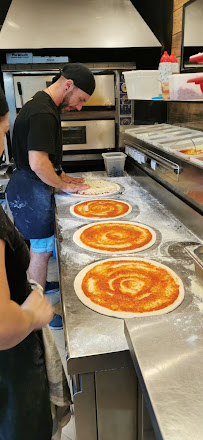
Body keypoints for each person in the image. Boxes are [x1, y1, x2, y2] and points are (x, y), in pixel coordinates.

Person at [6, 63, 96, 329]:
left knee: (39, 249)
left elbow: (47, 157)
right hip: (32, 191)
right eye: (81, 100)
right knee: (41, 252)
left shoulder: (42, 104)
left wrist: (62, 175)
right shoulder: (43, 113)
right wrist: (63, 186)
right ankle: (38, 312)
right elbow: (38, 163)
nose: (79, 107)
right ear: (68, 85)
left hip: (31, 186)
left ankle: (40, 285)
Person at [0, 86, 54, 439]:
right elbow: (3, 327)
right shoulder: (45, 113)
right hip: (9, 376)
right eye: (3, 130)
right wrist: (35, 312)